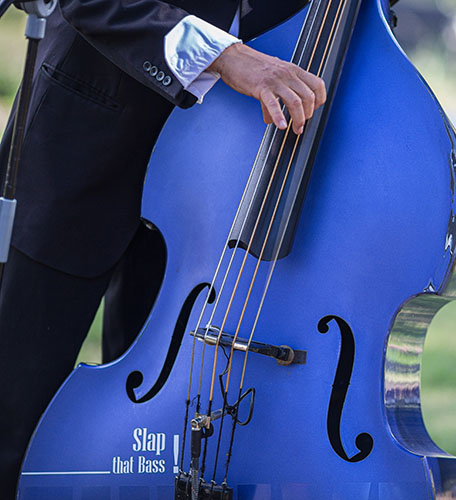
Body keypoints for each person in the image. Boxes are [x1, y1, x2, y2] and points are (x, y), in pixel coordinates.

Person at [0, 0, 326, 496]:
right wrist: (226, 55)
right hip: (82, 143)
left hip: (224, 192)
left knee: (148, 448)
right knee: (13, 416)